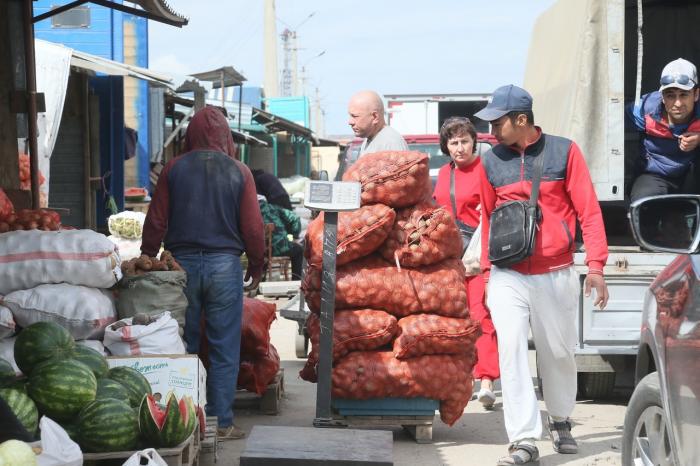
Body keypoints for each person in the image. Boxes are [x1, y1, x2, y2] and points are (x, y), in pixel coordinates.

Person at [474, 85, 609, 465]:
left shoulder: (565, 152)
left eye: (497, 122)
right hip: (507, 274)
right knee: (511, 351)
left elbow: (589, 211)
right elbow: (487, 219)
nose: (491, 130)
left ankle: (561, 419)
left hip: (556, 271)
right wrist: (486, 274)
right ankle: (523, 439)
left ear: (522, 120)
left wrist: (596, 266)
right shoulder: (490, 161)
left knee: (558, 352)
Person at [141, 106, 265, 440]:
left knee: (184, 343)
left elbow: (156, 219)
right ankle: (222, 422)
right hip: (225, 267)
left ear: (190, 134)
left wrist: (147, 256)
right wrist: (257, 264)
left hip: (182, 267)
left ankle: (186, 422)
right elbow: (253, 228)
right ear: (226, 135)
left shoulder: (173, 169)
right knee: (225, 346)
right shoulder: (240, 171)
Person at [432, 116, 500, 410]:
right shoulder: (444, 173)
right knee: (450, 321)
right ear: (445, 146)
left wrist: (488, 265)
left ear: (474, 142)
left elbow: (492, 218)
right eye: (453, 142)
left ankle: (486, 380)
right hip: (447, 258)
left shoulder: (486, 170)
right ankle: (461, 379)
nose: (459, 148)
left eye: (464, 141)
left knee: (480, 317)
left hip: (476, 255)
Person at [628, 58, 700, 201]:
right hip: (654, 175)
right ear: (662, 97)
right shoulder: (645, 110)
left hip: (693, 174)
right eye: (670, 95)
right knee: (643, 202)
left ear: (696, 94)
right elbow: (608, 120)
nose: (678, 103)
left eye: (684, 94)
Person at [347, 90, 408, 156]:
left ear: (375, 117)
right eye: (350, 116)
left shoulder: (390, 144)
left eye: (355, 116)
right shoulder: (369, 140)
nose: (350, 122)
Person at [258, 194, 303, 279]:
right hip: (280, 247)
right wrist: (294, 235)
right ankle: (297, 279)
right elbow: (295, 218)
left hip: (259, 250)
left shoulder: (248, 212)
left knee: (263, 253)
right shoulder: (273, 208)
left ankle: (260, 279)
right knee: (299, 250)